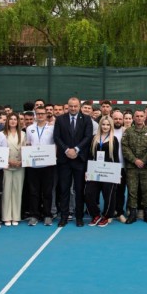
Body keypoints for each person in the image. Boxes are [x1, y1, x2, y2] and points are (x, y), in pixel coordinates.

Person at [53, 97, 94, 227]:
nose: (73, 108)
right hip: (64, 160)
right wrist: (66, 150)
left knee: (79, 189)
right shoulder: (60, 119)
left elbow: (88, 137)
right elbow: (56, 137)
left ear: (79, 106)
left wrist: (76, 149)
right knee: (64, 189)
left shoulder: (87, 119)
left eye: (75, 106)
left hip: (80, 160)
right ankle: (64, 217)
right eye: (71, 106)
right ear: (68, 106)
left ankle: (79, 217)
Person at [121, 109, 147, 224]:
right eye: (137, 116)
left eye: (141, 116)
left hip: (146, 167)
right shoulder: (128, 131)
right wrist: (135, 160)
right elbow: (124, 147)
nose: (139, 118)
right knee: (132, 191)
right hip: (132, 167)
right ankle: (133, 214)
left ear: (144, 117)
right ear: (133, 118)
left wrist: (143, 160)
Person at [85, 116, 118, 227]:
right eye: (103, 124)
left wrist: (117, 174)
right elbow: (90, 156)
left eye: (108, 124)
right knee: (89, 193)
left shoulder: (114, 139)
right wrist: (87, 171)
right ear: (100, 125)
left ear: (111, 126)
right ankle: (95, 215)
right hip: (95, 170)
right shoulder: (94, 138)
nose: (105, 126)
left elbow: (116, 157)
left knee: (108, 195)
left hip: (109, 171)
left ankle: (106, 216)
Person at [25, 106, 56, 226]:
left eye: (42, 114)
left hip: (48, 165)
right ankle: (34, 215)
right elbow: (28, 144)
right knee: (34, 192)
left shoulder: (52, 128)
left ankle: (47, 214)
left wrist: (53, 157)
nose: (40, 116)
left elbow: (55, 145)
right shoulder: (29, 129)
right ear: (35, 115)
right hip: (33, 165)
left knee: (47, 191)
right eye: (38, 114)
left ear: (46, 115)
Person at [2, 113, 24, 226]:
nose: (13, 121)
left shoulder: (23, 134)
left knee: (17, 191)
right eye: (11, 119)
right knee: (6, 191)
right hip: (6, 165)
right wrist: (8, 161)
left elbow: (27, 150)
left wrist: (21, 161)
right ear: (7, 121)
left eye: (15, 119)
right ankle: (6, 217)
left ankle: (16, 216)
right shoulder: (1, 134)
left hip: (19, 166)